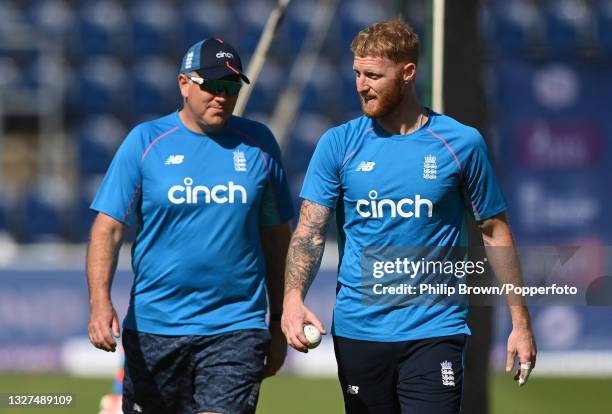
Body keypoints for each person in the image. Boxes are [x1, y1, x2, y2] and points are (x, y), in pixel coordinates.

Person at [281, 18, 537, 414]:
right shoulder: (338, 144)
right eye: (357, 74)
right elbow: (310, 233)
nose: (361, 85)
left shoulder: (461, 143)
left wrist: (520, 323)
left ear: (408, 73)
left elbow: (495, 232)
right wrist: (293, 299)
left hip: (435, 330)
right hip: (359, 332)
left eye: (373, 75)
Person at [87, 37, 293, 414]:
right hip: (154, 328)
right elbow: (108, 227)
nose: (222, 97)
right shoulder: (145, 142)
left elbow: (278, 237)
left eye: (230, 88)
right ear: (184, 84)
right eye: (212, 86)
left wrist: (280, 316)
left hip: (235, 326)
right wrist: (100, 302)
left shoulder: (259, 145)